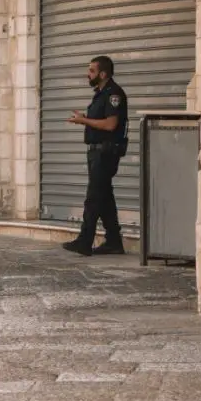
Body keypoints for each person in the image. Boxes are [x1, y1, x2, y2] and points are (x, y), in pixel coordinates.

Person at [62, 55, 128, 257]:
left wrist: (84, 121)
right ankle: (114, 241)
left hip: (106, 152)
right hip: (97, 151)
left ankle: (85, 241)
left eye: (91, 70)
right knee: (105, 197)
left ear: (103, 73)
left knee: (93, 198)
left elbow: (110, 124)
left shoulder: (113, 94)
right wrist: (86, 118)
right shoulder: (100, 94)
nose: (87, 74)